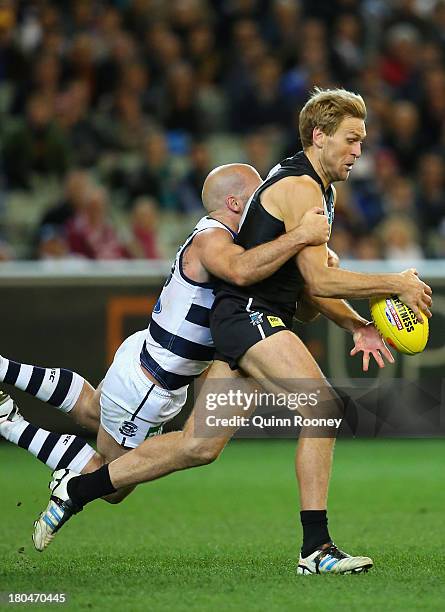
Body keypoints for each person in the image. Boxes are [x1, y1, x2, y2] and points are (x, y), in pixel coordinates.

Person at [31, 88, 433, 574]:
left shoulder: (319, 188)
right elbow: (320, 279)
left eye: (362, 141)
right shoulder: (301, 188)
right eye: (351, 140)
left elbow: (308, 290)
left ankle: (78, 489)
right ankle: (316, 548)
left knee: (199, 446)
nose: (359, 152)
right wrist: (396, 281)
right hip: (246, 316)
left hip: (245, 320)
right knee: (324, 408)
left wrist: (357, 324)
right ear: (319, 135)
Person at [0, 164, 329, 537]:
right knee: (111, 481)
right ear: (235, 202)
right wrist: (299, 235)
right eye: (258, 199)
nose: (266, 209)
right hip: (150, 385)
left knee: (92, 408)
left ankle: (3, 372)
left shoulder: (224, 238)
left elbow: (291, 295)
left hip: (144, 355)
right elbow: (239, 272)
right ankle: (11, 425)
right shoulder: (213, 240)